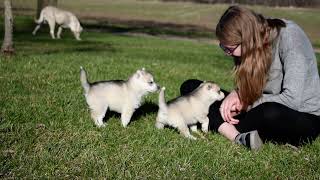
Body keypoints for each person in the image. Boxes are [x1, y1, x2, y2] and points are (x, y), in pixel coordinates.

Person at [180, 5, 320, 150]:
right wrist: (238, 93)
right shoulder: (251, 47)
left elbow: (292, 100)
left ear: (247, 40)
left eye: (230, 49)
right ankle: (237, 136)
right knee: (192, 87)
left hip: (299, 117)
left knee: (269, 112)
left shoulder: (290, 35)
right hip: (255, 109)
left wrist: (245, 103)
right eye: (223, 47)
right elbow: (252, 92)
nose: (227, 54)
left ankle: (218, 123)